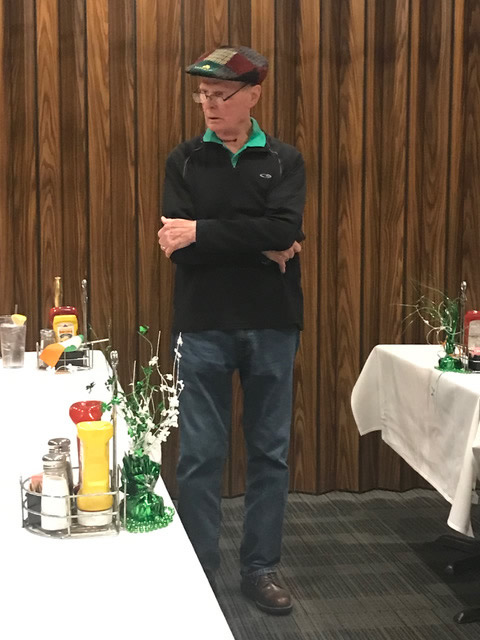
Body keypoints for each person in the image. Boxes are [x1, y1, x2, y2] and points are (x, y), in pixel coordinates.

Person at [158, 45, 305, 616]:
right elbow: (178, 248)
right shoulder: (185, 160)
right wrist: (259, 242)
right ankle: (198, 569)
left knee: (270, 453)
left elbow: (285, 228)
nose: (209, 104)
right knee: (200, 454)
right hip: (203, 324)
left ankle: (260, 568)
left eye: (220, 95)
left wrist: (204, 231)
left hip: (272, 323)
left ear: (253, 96)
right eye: (203, 95)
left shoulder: (284, 160)